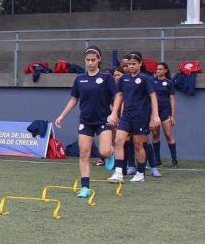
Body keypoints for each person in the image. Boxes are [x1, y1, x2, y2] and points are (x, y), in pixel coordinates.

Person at [54, 46, 120, 198]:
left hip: (103, 120)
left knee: (103, 151)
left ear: (99, 60)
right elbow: (74, 99)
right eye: (88, 60)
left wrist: (115, 113)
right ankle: (85, 187)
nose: (90, 62)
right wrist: (62, 115)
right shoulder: (79, 79)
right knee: (84, 154)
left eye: (93, 60)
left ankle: (110, 154)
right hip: (86, 121)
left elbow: (117, 96)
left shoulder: (106, 78)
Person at [108, 52, 160, 183]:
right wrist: (114, 113)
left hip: (141, 116)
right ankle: (118, 172)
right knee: (119, 141)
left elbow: (153, 97)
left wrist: (155, 116)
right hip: (126, 116)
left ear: (140, 64)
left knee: (138, 144)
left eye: (133, 64)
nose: (131, 66)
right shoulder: (124, 79)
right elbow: (119, 96)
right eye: (129, 64)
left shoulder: (146, 79)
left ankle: (141, 173)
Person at [151, 61, 179, 171]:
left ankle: (174, 160)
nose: (158, 71)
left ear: (165, 70)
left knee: (168, 134)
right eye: (157, 69)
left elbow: (172, 99)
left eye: (160, 69)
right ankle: (157, 161)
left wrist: (173, 116)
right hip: (155, 112)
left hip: (165, 111)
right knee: (155, 134)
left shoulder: (169, 83)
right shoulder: (152, 82)